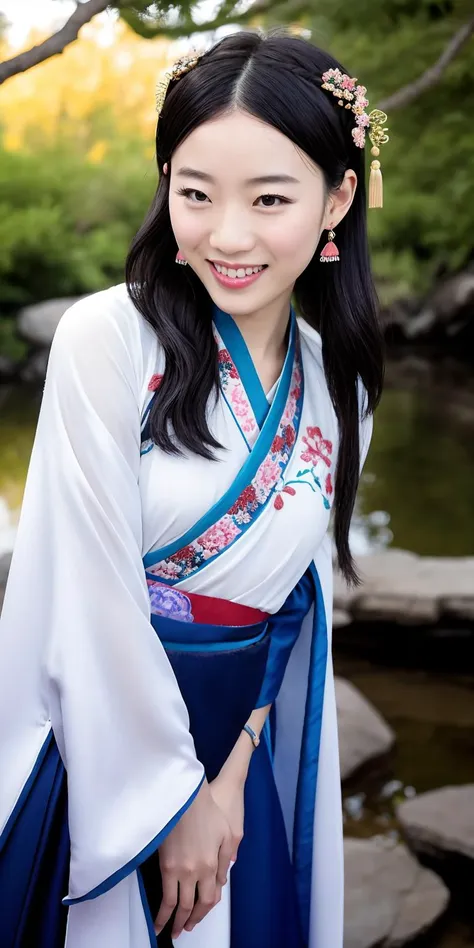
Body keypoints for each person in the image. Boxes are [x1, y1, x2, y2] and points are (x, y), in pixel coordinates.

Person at [0, 27, 385, 948]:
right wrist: (171, 802)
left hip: (232, 748)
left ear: (338, 198)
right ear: (164, 181)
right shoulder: (108, 340)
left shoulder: (343, 383)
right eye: (196, 194)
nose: (230, 235)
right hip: (100, 746)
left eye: (271, 198)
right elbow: (86, 594)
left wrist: (228, 779)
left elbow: (293, 600)